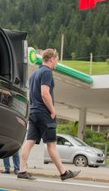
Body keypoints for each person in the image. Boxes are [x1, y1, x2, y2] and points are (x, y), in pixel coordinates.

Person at [17, 48, 80, 181]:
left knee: (29, 142)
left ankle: (22, 170)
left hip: (33, 112)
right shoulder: (47, 72)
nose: (57, 62)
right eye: (56, 59)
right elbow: (45, 93)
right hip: (44, 112)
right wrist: (52, 110)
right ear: (51, 59)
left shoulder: (35, 73)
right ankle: (63, 173)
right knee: (51, 144)